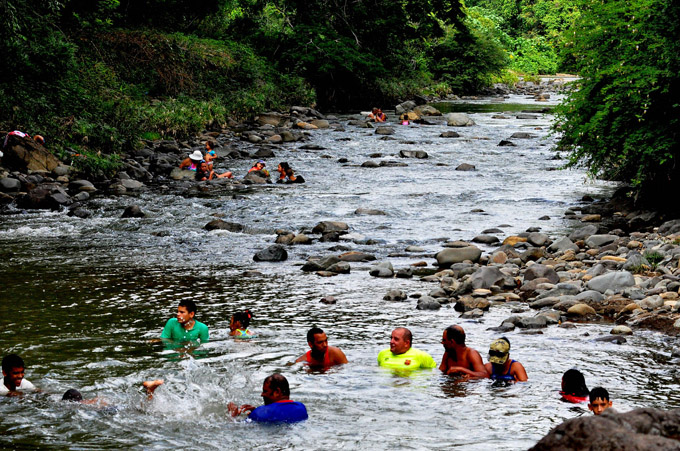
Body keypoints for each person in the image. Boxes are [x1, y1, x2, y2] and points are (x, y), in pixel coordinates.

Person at [228, 374, 308, 423]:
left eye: (265, 391)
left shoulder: (259, 413)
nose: (262, 394)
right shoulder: (301, 408)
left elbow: (235, 429)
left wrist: (233, 416)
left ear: (277, 392)